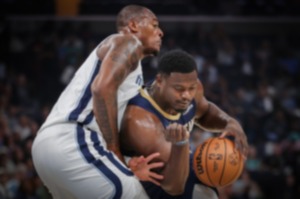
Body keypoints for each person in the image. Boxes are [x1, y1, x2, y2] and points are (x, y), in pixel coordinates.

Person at [31, 4, 164, 199]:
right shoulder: (128, 42)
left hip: (48, 148)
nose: (161, 32)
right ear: (134, 25)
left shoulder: (128, 65)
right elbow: (101, 90)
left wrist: (128, 161)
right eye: (154, 25)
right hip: (74, 140)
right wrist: (115, 154)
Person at [120, 49, 249, 199]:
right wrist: (181, 144)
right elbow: (174, 187)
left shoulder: (192, 88)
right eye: (179, 89)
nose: (186, 95)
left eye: (191, 88)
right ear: (160, 81)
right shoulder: (141, 121)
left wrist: (230, 122)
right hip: (153, 182)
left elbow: (205, 112)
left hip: (181, 162)